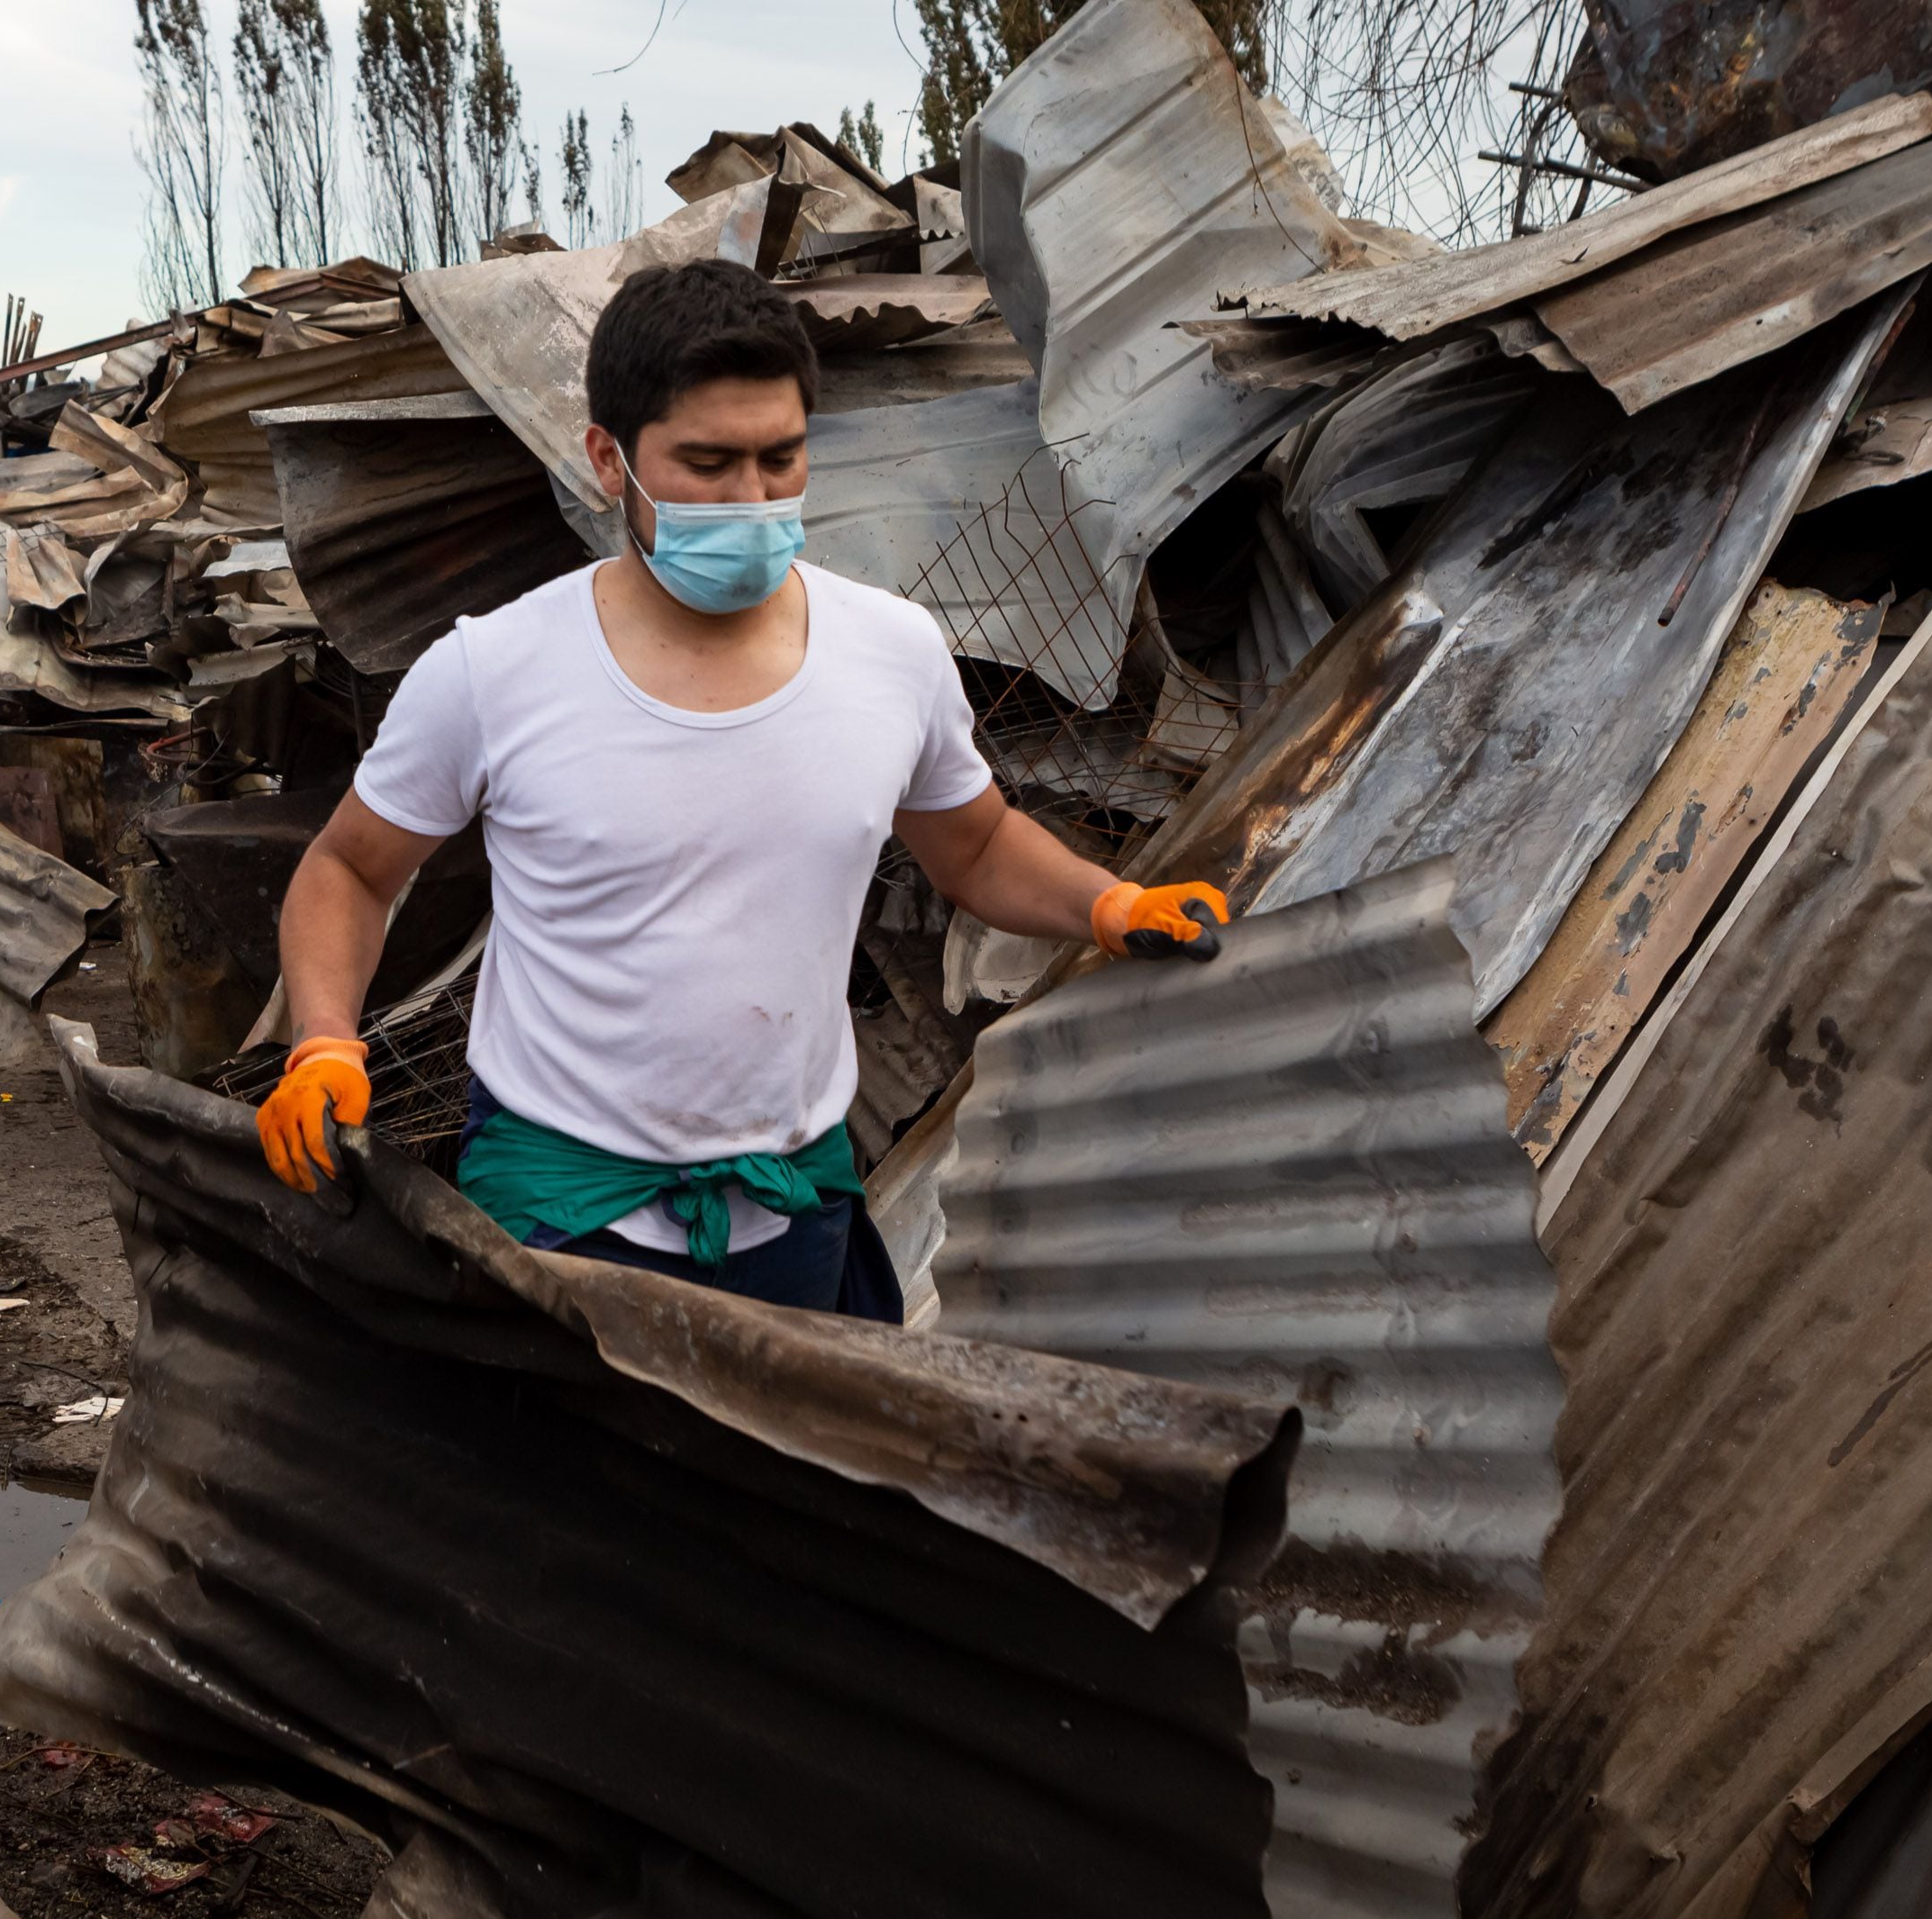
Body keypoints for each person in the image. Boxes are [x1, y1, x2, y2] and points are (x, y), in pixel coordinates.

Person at [253, 259, 1232, 1317]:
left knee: (787, 1483)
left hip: (794, 1203)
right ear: (606, 461)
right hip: (558, 1212)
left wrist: (1107, 902)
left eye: (780, 458)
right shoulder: (494, 671)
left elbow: (979, 846)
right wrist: (319, 1041)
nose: (751, 498)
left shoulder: (892, 652)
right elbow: (351, 869)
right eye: (707, 462)